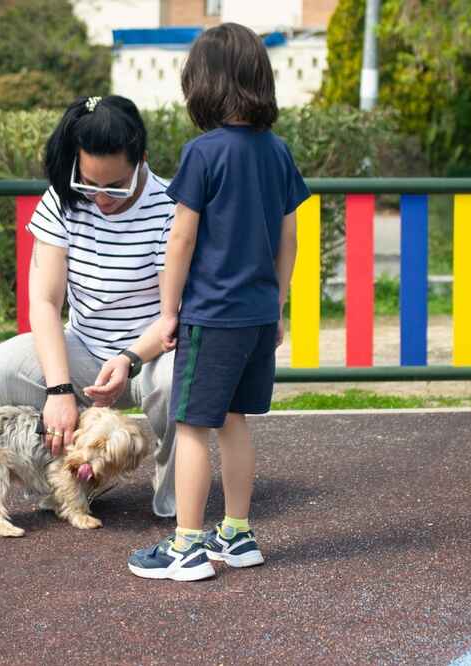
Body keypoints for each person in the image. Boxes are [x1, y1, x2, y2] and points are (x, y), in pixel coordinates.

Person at [127, 23, 309, 581]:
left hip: (213, 315)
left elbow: (180, 238)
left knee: (191, 426)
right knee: (235, 421)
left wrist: (168, 310)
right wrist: (277, 307)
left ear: (201, 84)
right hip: (257, 316)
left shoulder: (203, 152)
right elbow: (290, 238)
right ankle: (237, 531)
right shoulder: (277, 152)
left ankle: (186, 544)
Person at [0, 95, 180, 517]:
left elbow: (172, 314)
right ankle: (69, 478)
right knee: (1, 367)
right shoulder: (62, 199)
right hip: (88, 350)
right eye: (89, 183)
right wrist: (58, 390)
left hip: (152, 353)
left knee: (178, 377)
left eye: (115, 186)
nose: (101, 198)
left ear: (141, 160)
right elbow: (45, 301)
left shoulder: (171, 207)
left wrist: (128, 359)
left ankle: (175, 490)